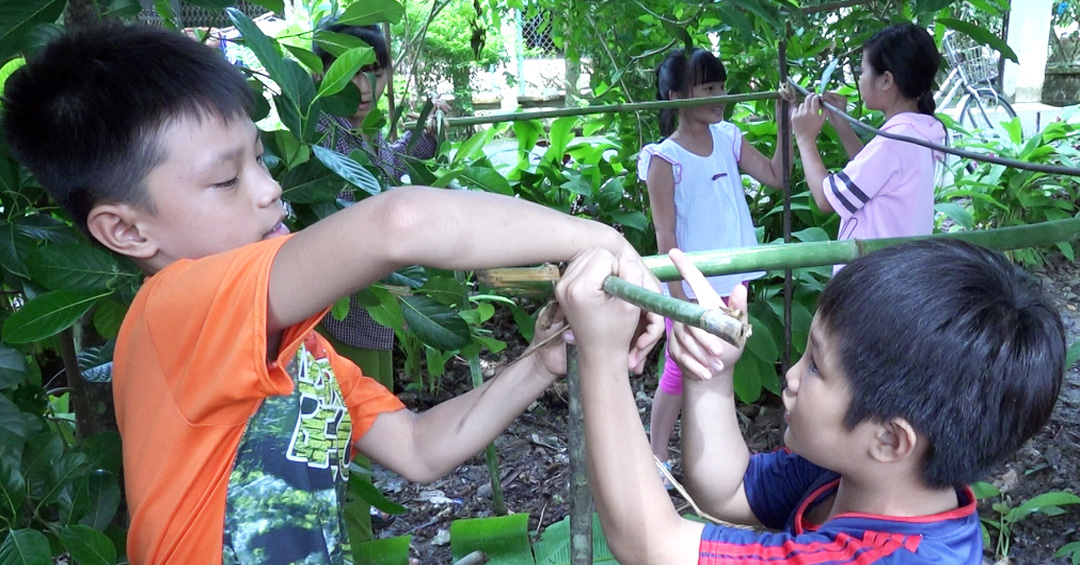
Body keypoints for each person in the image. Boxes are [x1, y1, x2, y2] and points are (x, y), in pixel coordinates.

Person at [1, 24, 662, 564]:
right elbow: (398, 223)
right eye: (225, 179)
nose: (268, 189)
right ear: (125, 228)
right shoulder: (170, 314)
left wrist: (541, 360)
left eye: (259, 158)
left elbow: (419, 447)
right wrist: (599, 238)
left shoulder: (299, 352)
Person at [556, 239, 1064, 564]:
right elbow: (728, 489)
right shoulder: (856, 473)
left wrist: (600, 356)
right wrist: (711, 371)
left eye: (816, 366)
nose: (792, 376)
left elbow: (651, 548)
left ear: (890, 438)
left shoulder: (887, 559)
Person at [638, 47, 790, 479]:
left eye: (721, 86)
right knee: (677, 369)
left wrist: (787, 122)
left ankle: (711, 465)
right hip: (689, 287)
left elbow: (777, 176)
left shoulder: (729, 138)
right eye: (708, 88)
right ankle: (657, 458)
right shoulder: (664, 159)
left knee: (719, 366)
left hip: (736, 279)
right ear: (676, 96)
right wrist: (678, 302)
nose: (720, 95)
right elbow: (665, 235)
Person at [791, 23, 945, 254]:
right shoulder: (916, 130)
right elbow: (876, 178)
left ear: (886, 81)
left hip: (877, 278)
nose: (860, 79)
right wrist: (842, 126)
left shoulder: (895, 140)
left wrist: (804, 139)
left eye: (863, 72)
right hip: (899, 271)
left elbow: (825, 199)